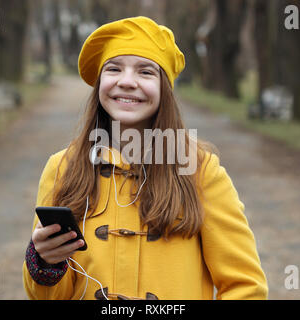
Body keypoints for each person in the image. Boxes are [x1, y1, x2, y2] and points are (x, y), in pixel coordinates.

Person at [22, 16, 268, 300]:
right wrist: (45, 262)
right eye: (114, 69)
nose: (127, 82)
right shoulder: (62, 168)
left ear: (165, 87)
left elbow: (245, 286)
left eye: (146, 72)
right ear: (100, 82)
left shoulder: (201, 171)